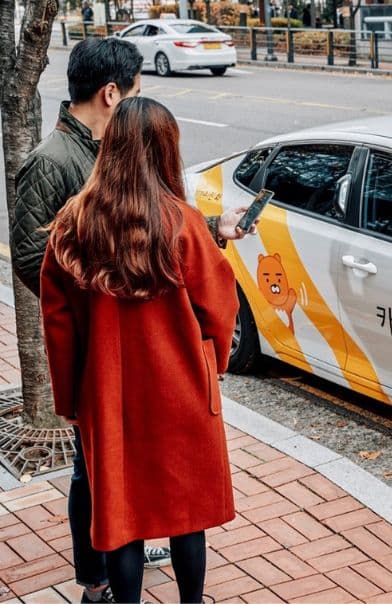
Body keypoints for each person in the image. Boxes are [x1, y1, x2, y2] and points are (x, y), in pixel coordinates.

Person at [12, 37, 252, 604]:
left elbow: (58, 317)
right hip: (179, 386)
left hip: (107, 387)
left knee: (116, 508)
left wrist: (71, 396)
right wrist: (209, 365)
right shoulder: (182, 222)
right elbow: (221, 306)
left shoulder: (74, 223)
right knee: (186, 507)